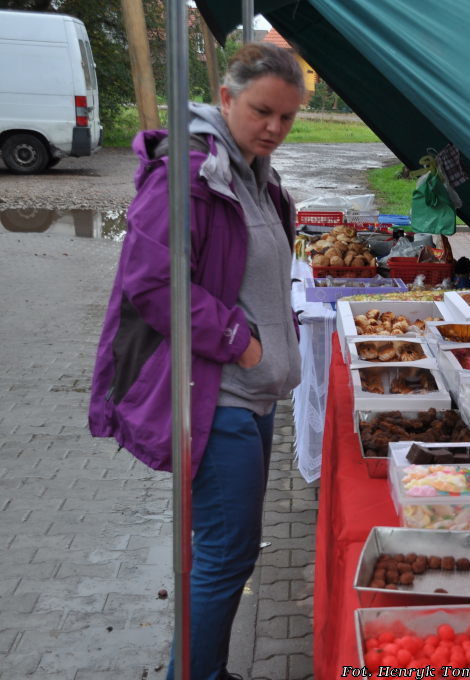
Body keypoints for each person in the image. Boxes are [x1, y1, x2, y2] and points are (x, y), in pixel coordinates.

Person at [88, 43, 305, 680]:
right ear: (227, 99)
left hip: (253, 396)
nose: (274, 127)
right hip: (215, 397)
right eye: (262, 111)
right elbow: (153, 282)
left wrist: (278, 334)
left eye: (287, 117)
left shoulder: (255, 176)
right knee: (224, 555)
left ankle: (203, 669)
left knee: (229, 553)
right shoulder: (186, 177)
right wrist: (241, 340)